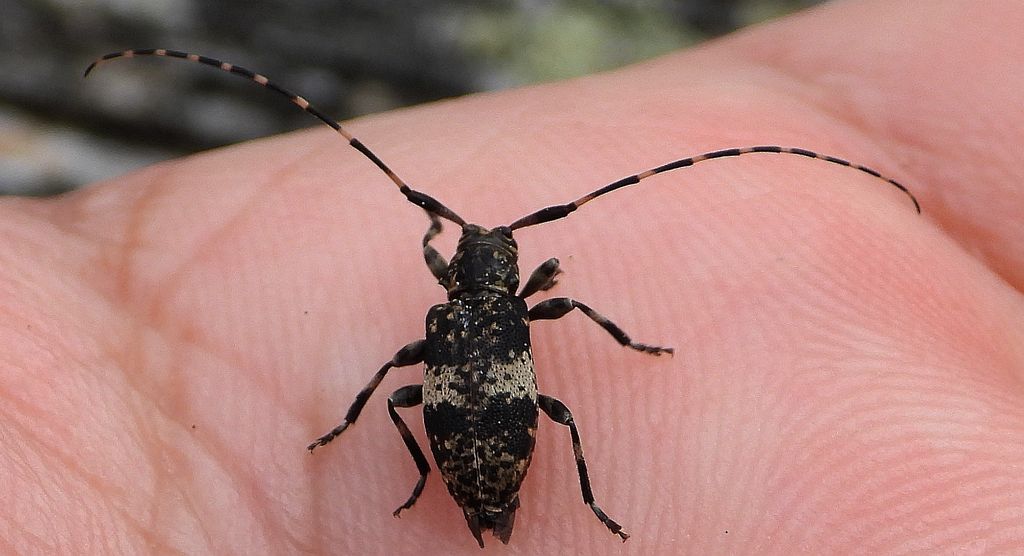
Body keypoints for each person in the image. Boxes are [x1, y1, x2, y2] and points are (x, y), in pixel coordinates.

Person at [2, 1, 1021, 552]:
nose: (490, 253)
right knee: (552, 414)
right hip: (489, 439)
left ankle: (424, 472)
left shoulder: (448, 304)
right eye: (492, 254)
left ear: (465, 270)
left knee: (417, 395)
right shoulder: (528, 298)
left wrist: (379, 414)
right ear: (507, 271)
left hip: (469, 440)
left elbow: (408, 362)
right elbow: (535, 306)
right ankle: (437, 479)